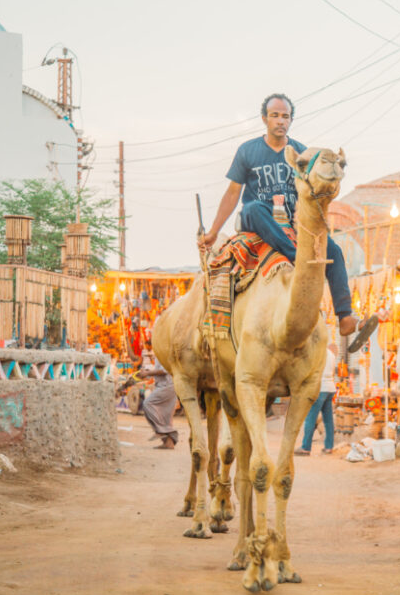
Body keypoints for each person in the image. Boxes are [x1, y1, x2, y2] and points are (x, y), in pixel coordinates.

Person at [198, 93, 364, 339]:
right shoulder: (248, 151)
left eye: (285, 116)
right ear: (264, 118)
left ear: (291, 120)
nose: (280, 121)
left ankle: (345, 316)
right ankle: (295, 256)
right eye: (275, 115)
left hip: (292, 222)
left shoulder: (303, 154)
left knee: (335, 251)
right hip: (259, 220)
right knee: (253, 207)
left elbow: (314, 192)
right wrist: (213, 232)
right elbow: (233, 193)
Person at [296, 344, 337, 456]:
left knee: (310, 418)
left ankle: (305, 447)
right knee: (328, 420)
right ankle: (329, 447)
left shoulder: (317, 353)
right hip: (330, 388)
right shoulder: (331, 354)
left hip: (319, 388)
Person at [140, 351, 178, 449]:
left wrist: (148, 372)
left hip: (167, 386)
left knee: (148, 404)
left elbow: (164, 370)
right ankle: (169, 443)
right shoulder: (159, 352)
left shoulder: (164, 351)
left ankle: (160, 431)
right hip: (166, 385)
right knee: (166, 416)